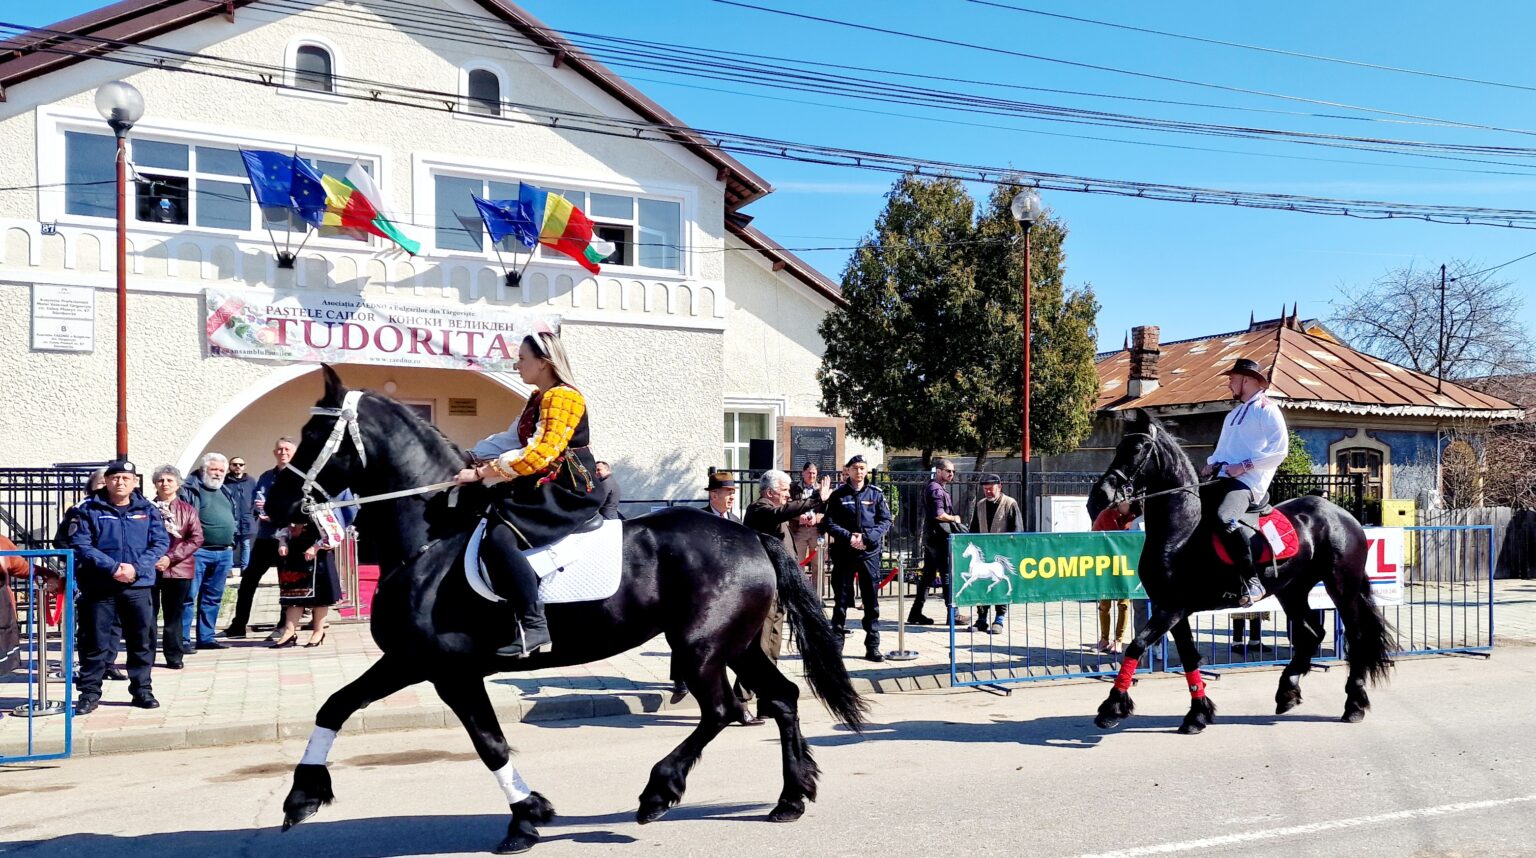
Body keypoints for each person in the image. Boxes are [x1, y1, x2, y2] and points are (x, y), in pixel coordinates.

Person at [456, 327, 601, 659]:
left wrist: (481, 472)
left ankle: (535, 625)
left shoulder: (563, 396)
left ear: (544, 362)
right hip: (540, 484)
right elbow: (511, 440)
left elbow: (540, 453)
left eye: (522, 359)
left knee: (500, 537)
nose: (516, 365)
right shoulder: (538, 397)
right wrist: (469, 455)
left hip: (567, 488)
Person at [68, 461, 168, 714]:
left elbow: (159, 542)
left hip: (138, 585)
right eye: (114, 478)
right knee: (95, 642)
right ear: (107, 481)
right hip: (100, 586)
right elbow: (81, 544)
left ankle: (142, 689)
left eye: (126, 478)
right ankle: (89, 693)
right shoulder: (88, 509)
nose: (120, 482)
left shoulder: (148, 509)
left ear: (135, 481)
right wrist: (112, 568)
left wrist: (136, 568)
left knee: (141, 641)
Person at [735, 469, 832, 722]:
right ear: (770, 492)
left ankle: (767, 701)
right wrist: (815, 500)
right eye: (785, 491)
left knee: (773, 643)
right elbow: (781, 513)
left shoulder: (775, 508)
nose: (789, 496)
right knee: (760, 646)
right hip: (762, 588)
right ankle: (739, 701)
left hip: (779, 587)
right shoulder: (759, 508)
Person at [1199, 357, 1290, 607]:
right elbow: (1223, 449)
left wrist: (1245, 466)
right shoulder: (1234, 414)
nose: (1229, 383)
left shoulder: (1267, 409)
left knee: (1224, 517)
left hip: (1248, 483)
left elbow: (1280, 451)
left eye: (1232, 379)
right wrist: (1211, 462)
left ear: (1247, 380)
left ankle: (1253, 581)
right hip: (1223, 477)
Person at [821, 455, 892, 662]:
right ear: (848, 471)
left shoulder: (876, 494)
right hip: (845, 552)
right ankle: (836, 645)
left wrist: (867, 538)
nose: (859, 472)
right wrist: (850, 537)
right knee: (841, 600)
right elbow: (829, 523)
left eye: (862, 468)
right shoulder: (838, 495)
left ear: (866, 471)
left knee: (871, 601)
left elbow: (885, 520)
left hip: (868, 552)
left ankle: (873, 646)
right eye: (855, 468)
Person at [226, 437, 296, 640]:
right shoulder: (266, 476)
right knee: (248, 580)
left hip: (288, 538)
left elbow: (295, 505)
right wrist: (262, 509)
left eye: (287, 449)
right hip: (266, 537)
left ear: (294, 453)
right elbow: (259, 499)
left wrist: (275, 513)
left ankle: (284, 625)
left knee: (287, 584)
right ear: (274, 453)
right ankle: (238, 625)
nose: (283, 452)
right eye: (279, 449)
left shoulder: (300, 478)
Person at [270, 494, 355, 650]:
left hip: (318, 556)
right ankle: (289, 632)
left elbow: (336, 533)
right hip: (294, 554)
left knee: (320, 598)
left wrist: (316, 547)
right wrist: (283, 542)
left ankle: (318, 632)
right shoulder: (292, 502)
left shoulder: (321, 505)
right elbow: (284, 528)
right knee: (293, 597)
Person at [179, 452, 239, 650]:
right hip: (198, 552)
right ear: (204, 469)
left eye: (222, 470)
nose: (218, 474)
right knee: (188, 597)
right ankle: (183, 640)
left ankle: (206, 638)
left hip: (224, 552)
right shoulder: (190, 490)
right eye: (214, 469)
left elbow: (234, 516)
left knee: (213, 597)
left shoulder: (225, 491)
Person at [147, 466, 203, 670]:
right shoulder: (146, 508)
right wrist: (153, 559)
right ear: (155, 484)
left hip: (179, 569)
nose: (165, 484)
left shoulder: (188, 510)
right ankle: (147, 656)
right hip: (150, 569)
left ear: (178, 484)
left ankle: (174, 655)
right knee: (148, 615)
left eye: (170, 480)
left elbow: (196, 538)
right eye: (161, 480)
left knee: (174, 615)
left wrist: (170, 558)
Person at [966, 473, 1024, 635]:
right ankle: (981, 620)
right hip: (984, 554)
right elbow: (974, 529)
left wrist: (1012, 551)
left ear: (1000, 487)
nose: (988, 492)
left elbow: (1017, 530)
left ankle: (999, 620)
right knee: (981, 586)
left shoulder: (1010, 503)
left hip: (1001, 554)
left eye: (991, 489)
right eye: (985, 489)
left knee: (999, 585)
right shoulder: (980, 504)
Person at [910, 458, 965, 626]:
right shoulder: (936, 490)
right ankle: (953, 614)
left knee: (928, 576)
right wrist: (954, 518)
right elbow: (939, 514)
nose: (951, 474)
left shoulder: (936, 488)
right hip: (939, 538)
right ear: (939, 471)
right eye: (948, 471)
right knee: (948, 574)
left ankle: (915, 613)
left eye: (953, 471)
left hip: (933, 537)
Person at [1092, 499, 1140, 654]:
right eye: (1123, 502)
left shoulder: (1134, 517)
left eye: (1129, 502)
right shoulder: (1106, 515)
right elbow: (1095, 537)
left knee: (1124, 604)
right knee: (1104, 604)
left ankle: (1119, 640)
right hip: (1106, 565)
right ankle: (1104, 639)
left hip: (1125, 567)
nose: (1126, 505)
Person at [224, 455, 258, 571]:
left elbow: (256, 498)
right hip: (229, 517)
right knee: (229, 544)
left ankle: (245, 568)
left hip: (246, 518)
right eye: (234, 464)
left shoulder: (251, 481)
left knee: (246, 544)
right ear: (230, 467)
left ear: (244, 467)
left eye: (240, 465)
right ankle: (228, 569)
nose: (237, 466)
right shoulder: (224, 482)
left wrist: (254, 513)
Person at [787, 462, 825, 564]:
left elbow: (829, 512)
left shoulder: (822, 489)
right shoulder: (793, 489)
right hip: (798, 530)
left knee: (818, 564)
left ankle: (816, 581)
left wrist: (816, 518)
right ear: (803, 473)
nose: (811, 476)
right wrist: (799, 517)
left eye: (814, 473)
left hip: (817, 530)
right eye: (809, 473)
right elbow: (787, 508)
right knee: (799, 563)